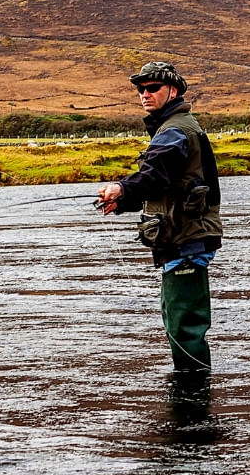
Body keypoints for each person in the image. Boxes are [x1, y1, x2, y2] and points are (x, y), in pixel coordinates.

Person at [96, 61, 223, 372]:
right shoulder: (174, 127)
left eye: (152, 88)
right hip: (182, 239)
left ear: (173, 91)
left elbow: (154, 175)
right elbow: (166, 184)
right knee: (178, 322)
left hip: (186, 241)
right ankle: (191, 396)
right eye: (141, 89)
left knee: (184, 328)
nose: (144, 94)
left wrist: (121, 189)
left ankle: (194, 401)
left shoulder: (175, 130)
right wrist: (124, 202)